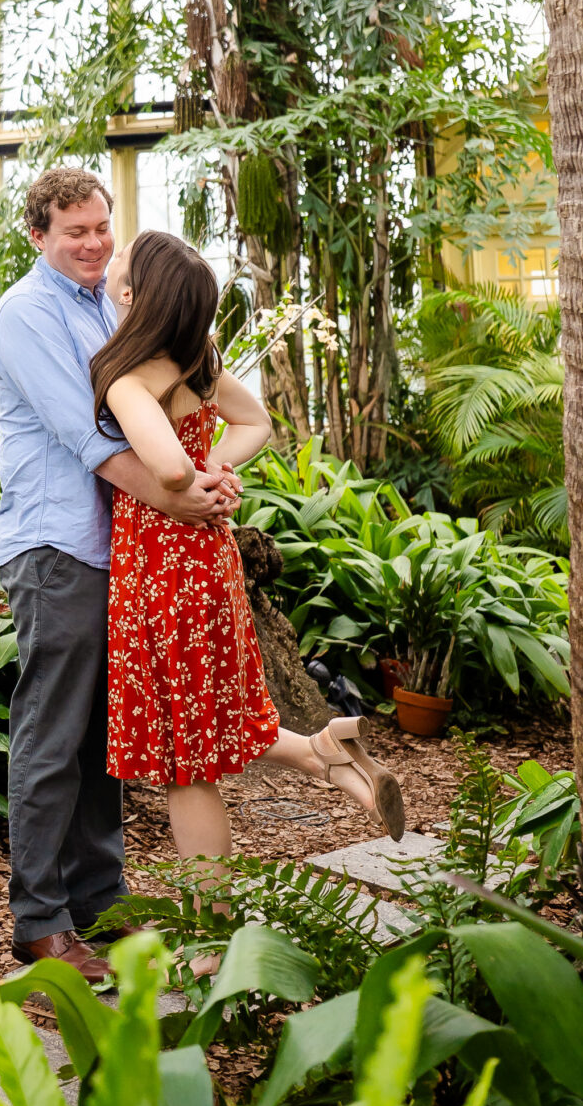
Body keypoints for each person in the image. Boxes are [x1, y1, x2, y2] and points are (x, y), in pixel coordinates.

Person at [0, 167, 238, 983]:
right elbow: (87, 440)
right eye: (74, 232)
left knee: (102, 739)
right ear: (37, 236)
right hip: (56, 547)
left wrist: (203, 478)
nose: (93, 243)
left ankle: (100, 902)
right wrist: (188, 502)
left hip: (116, 552)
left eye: (101, 228)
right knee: (52, 738)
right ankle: (40, 921)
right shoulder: (26, 315)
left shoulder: (108, 304)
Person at [94, 228, 405, 874]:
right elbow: (256, 423)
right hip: (208, 563)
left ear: (131, 294)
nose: (110, 253)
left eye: (121, 257)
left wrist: (192, 471)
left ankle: (209, 942)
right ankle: (329, 753)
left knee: (186, 764)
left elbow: (169, 473)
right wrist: (215, 462)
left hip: (160, 574)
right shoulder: (196, 362)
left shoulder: (127, 380)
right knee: (214, 717)